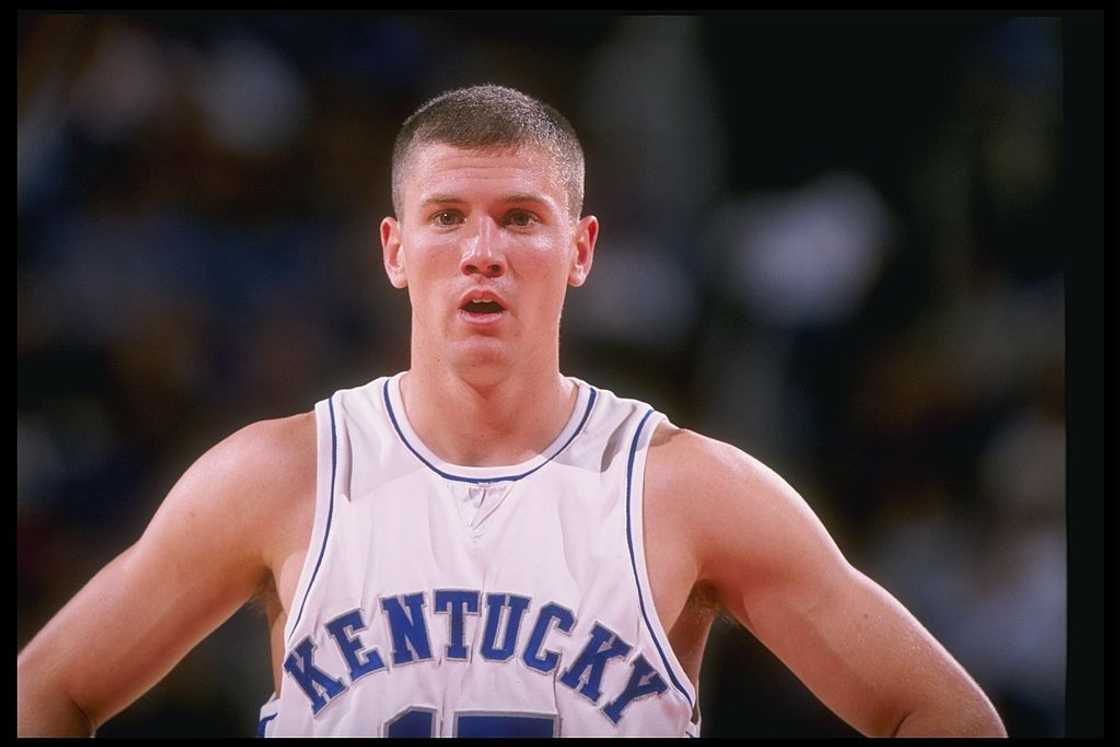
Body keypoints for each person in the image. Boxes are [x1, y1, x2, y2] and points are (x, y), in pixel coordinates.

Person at [16, 84, 1007, 738]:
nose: (481, 251)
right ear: (395, 251)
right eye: (446, 217)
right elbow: (45, 691)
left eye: (520, 219)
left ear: (579, 251)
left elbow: (948, 721)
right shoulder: (281, 475)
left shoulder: (684, 490)